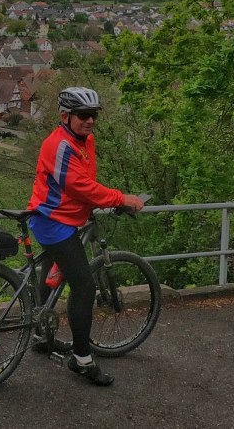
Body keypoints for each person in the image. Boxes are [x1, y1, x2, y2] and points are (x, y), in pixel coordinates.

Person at [25, 86, 145, 386]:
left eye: (94, 115)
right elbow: (80, 186)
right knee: (85, 286)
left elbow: (84, 181)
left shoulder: (84, 140)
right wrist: (121, 198)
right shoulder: (60, 145)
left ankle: (41, 334)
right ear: (65, 115)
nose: (90, 120)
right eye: (83, 115)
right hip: (54, 222)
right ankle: (81, 359)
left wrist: (94, 203)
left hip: (59, 217)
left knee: (50, 273)